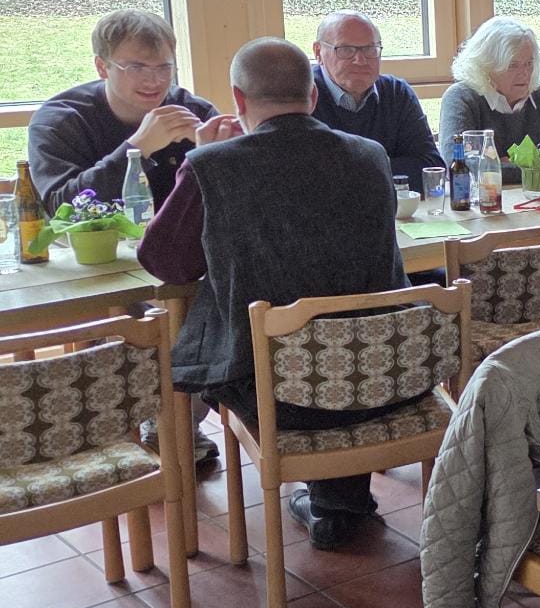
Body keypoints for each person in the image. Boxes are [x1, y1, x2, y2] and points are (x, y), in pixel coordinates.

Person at [137, 39, 409, 550]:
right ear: (312, 95)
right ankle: (338, 503)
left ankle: (331, 503)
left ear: (238, 99)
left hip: (276, 389)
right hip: (383, 372)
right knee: (333, 321)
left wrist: (195, 163)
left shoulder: (213, 165)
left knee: (251, 337)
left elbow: (166, 264)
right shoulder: (370, 155)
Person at [28, 9, 234, 213]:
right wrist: (138, 148)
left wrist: (211, 156)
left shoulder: (195, 112)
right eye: (137, 68)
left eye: (164, 68)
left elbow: (238, 201)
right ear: (102, 67)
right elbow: (61, 208)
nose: (154, 81)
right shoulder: (60, 122)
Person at [438, 16, 540, 184]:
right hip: (484, 198)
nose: (524, 73)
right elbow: (459, 166)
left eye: (529, 64)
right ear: (486, 65)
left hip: (539, 195)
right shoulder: (461, 97)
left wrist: (502, 165)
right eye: (513, 65)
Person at [308, 10, 443, 192]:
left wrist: (344, 171)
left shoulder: (396, 93)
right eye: (346, 50)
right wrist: (382, 167)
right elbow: (305, 177)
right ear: (318, 52)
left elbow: (431, 169)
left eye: (370, 49)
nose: (360, 60)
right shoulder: (301, 96)